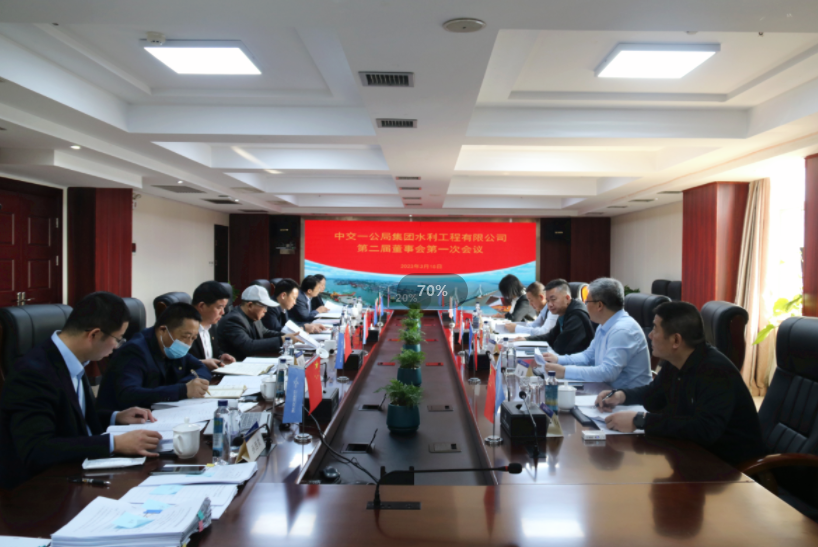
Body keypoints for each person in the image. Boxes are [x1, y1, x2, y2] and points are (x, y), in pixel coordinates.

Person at [0, 292, 162, 489]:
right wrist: (114, 443)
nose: (117, 347)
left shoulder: (72, 359)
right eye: (118, 339)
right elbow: (37, 450)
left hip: (79, 468)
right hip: (43, 487)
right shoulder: (33, 374)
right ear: (94, 335)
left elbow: (73, 421)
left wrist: (115, 417)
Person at [598, 301, 767, 466]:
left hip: (729, 467)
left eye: (655, 329)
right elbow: (654, 395)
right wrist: (621, 395)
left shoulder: (715, 372)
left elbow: (704, 430)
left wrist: (640, 421)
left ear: (676, 340)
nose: (650, 335)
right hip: (692, 454)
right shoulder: (675, 361)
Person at [97, 303, 212, 411]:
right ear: (163, 330)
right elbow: (128, 394)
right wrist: (182, 389)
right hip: (128, 419)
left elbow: (202, 368)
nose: (188, 344)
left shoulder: (175, 348)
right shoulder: (135, 350)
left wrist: (190, 385)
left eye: (193, 338)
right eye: (185, 336)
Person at [542, 277, 651, 390]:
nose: (585, 306)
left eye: (587, 302)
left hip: (629, 397)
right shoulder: (604, 325)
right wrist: (558, 360)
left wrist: (565, 371)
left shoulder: (622, 330)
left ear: (599, 305)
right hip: (606, 390)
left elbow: (608, 372)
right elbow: (587, 356)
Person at [217, 284, 289, 361]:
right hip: (237, 364)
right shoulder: (233, 320)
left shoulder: (253, 315)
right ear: (250, 305)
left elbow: (265, 333)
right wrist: (282, 340)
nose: (266, 310)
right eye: (264, 306)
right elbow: (248, 346)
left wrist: (287, 336)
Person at [526, 279, 594, 355]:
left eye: (553, 299)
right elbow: (550, 336)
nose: (550, 305)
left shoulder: (577, 316)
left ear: (567, 298)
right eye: (548, 301)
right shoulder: (563, 312)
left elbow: (560, 348)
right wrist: (526, 339)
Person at [189, 281, 236, 370]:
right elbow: (177, 363)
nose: (223, 312)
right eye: (219, 307)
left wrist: (221, 356)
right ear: (201, 306)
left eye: (224, 307)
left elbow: (213, 351)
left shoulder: (211, 325)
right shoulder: (184, 330)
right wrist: (200, 363)